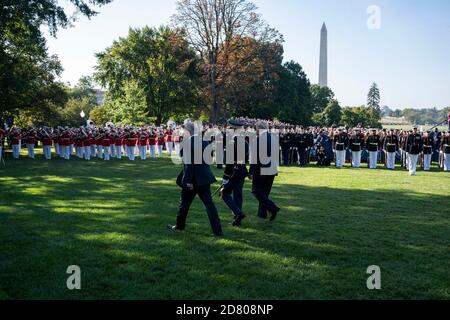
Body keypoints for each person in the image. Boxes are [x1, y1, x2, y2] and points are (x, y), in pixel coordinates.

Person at [168, 121, 224, 236]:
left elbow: (188, 164)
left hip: (192, 179)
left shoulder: (187, 142)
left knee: (184, 204)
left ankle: (179, 226)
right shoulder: (204, 142)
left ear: (188, 131)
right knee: (210, 206)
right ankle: (218, 231)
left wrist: (188, 181)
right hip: (203, 178)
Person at [220, 120, 249, 227]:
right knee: (238, 195)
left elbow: (230, 162)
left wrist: (225, 177)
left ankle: (238, 214)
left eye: (229, 128)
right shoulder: (244, 141)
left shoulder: (232, 142)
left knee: (224, 193)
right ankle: (237, 219)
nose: (227, 130)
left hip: (233, 172)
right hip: (241, 170)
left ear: (233, 129)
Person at [250, 120, 280, 221]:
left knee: (256, 191)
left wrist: (251, 172)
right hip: (272, 168)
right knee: (264, 193)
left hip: (261, 169)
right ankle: (262, 214)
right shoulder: (274, 138)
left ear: (258, 128)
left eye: (255, 129)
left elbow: (254, 157)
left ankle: (273, 208)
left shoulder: (258, 139)